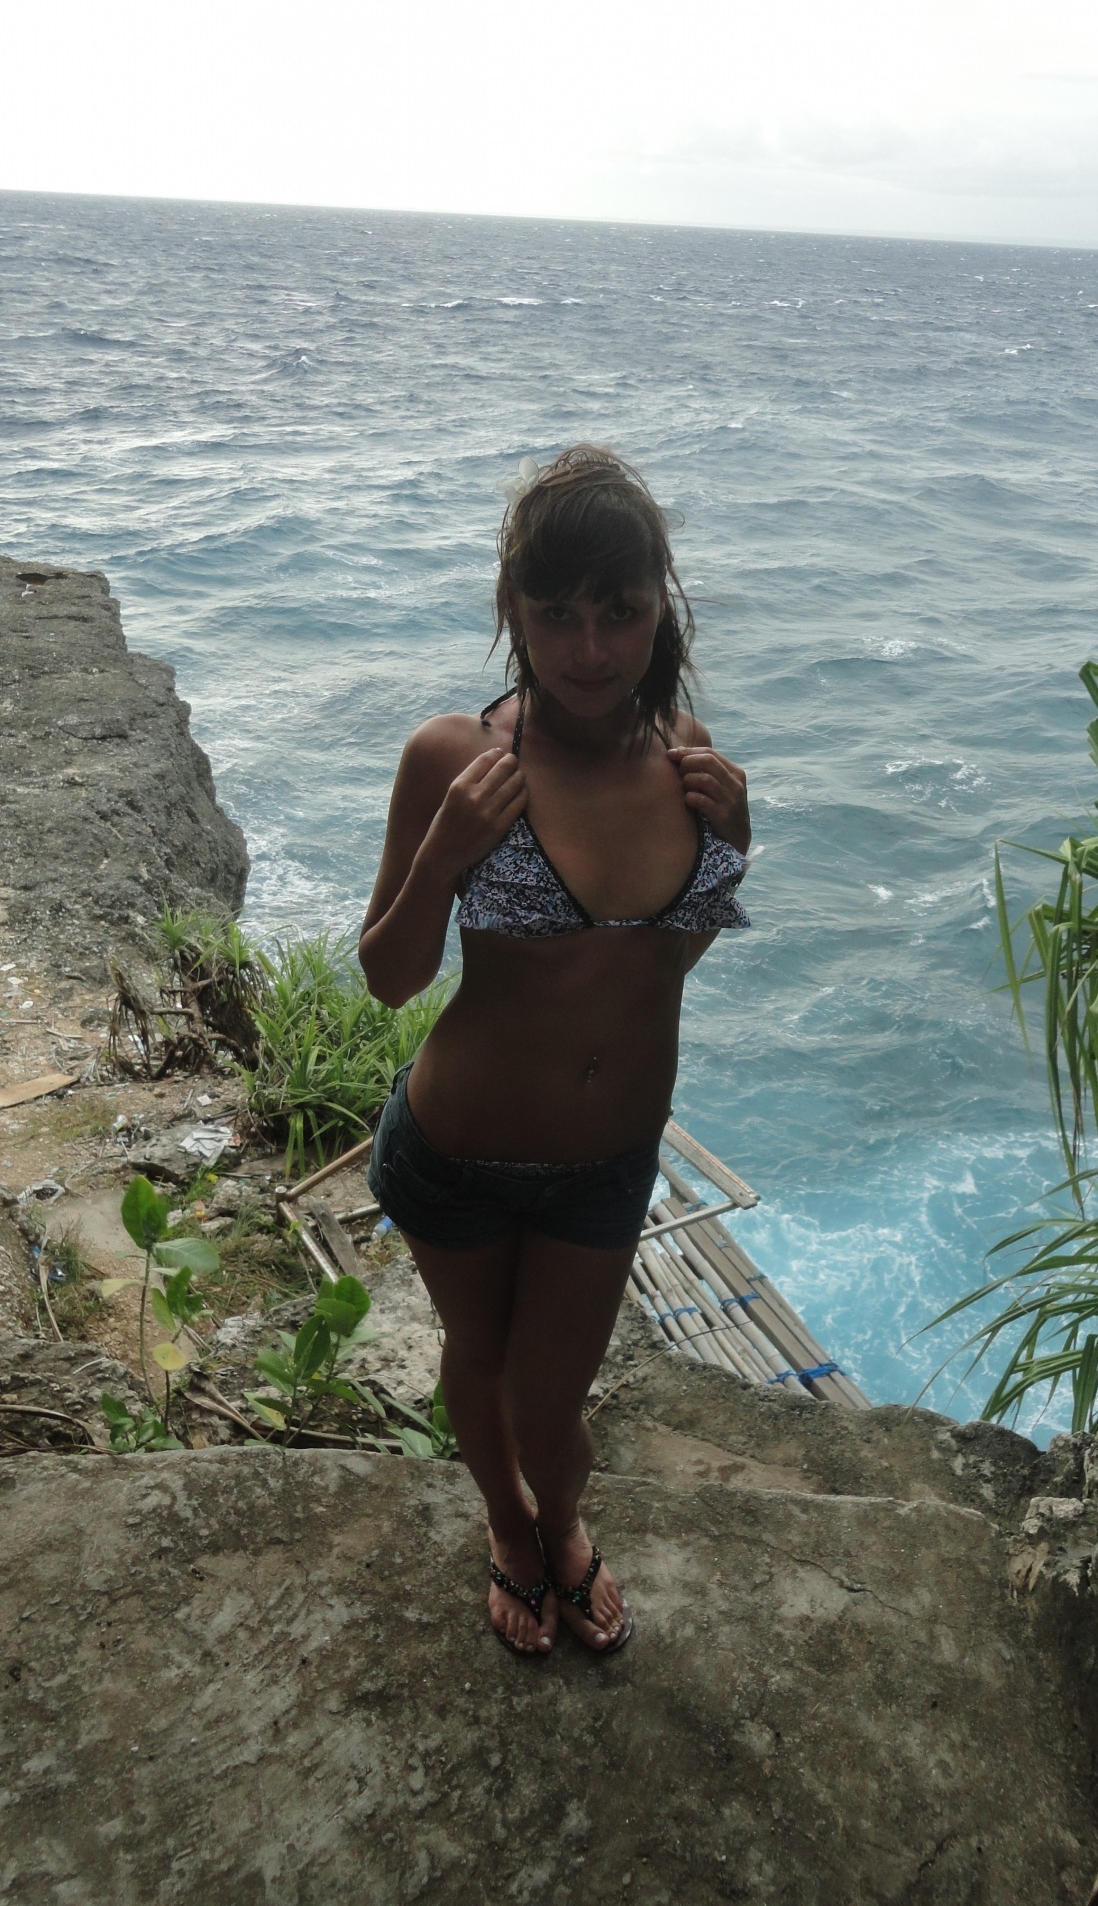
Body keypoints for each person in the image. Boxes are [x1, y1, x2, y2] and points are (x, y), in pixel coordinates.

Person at [359, 446, 751, 1656]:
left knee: (549, 1400)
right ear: (513, 610)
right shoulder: (455, 759)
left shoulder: (685, 756)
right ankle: (510, 1528)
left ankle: (563, 1517)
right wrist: (442, 855)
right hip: (457, 1148)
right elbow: (388, 975)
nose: (589, 648)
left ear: (658, 605)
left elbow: (658, 966)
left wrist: (734, 845)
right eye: (557, 613)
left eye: (618, 611)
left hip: (602, 1162)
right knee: (479, 1359)